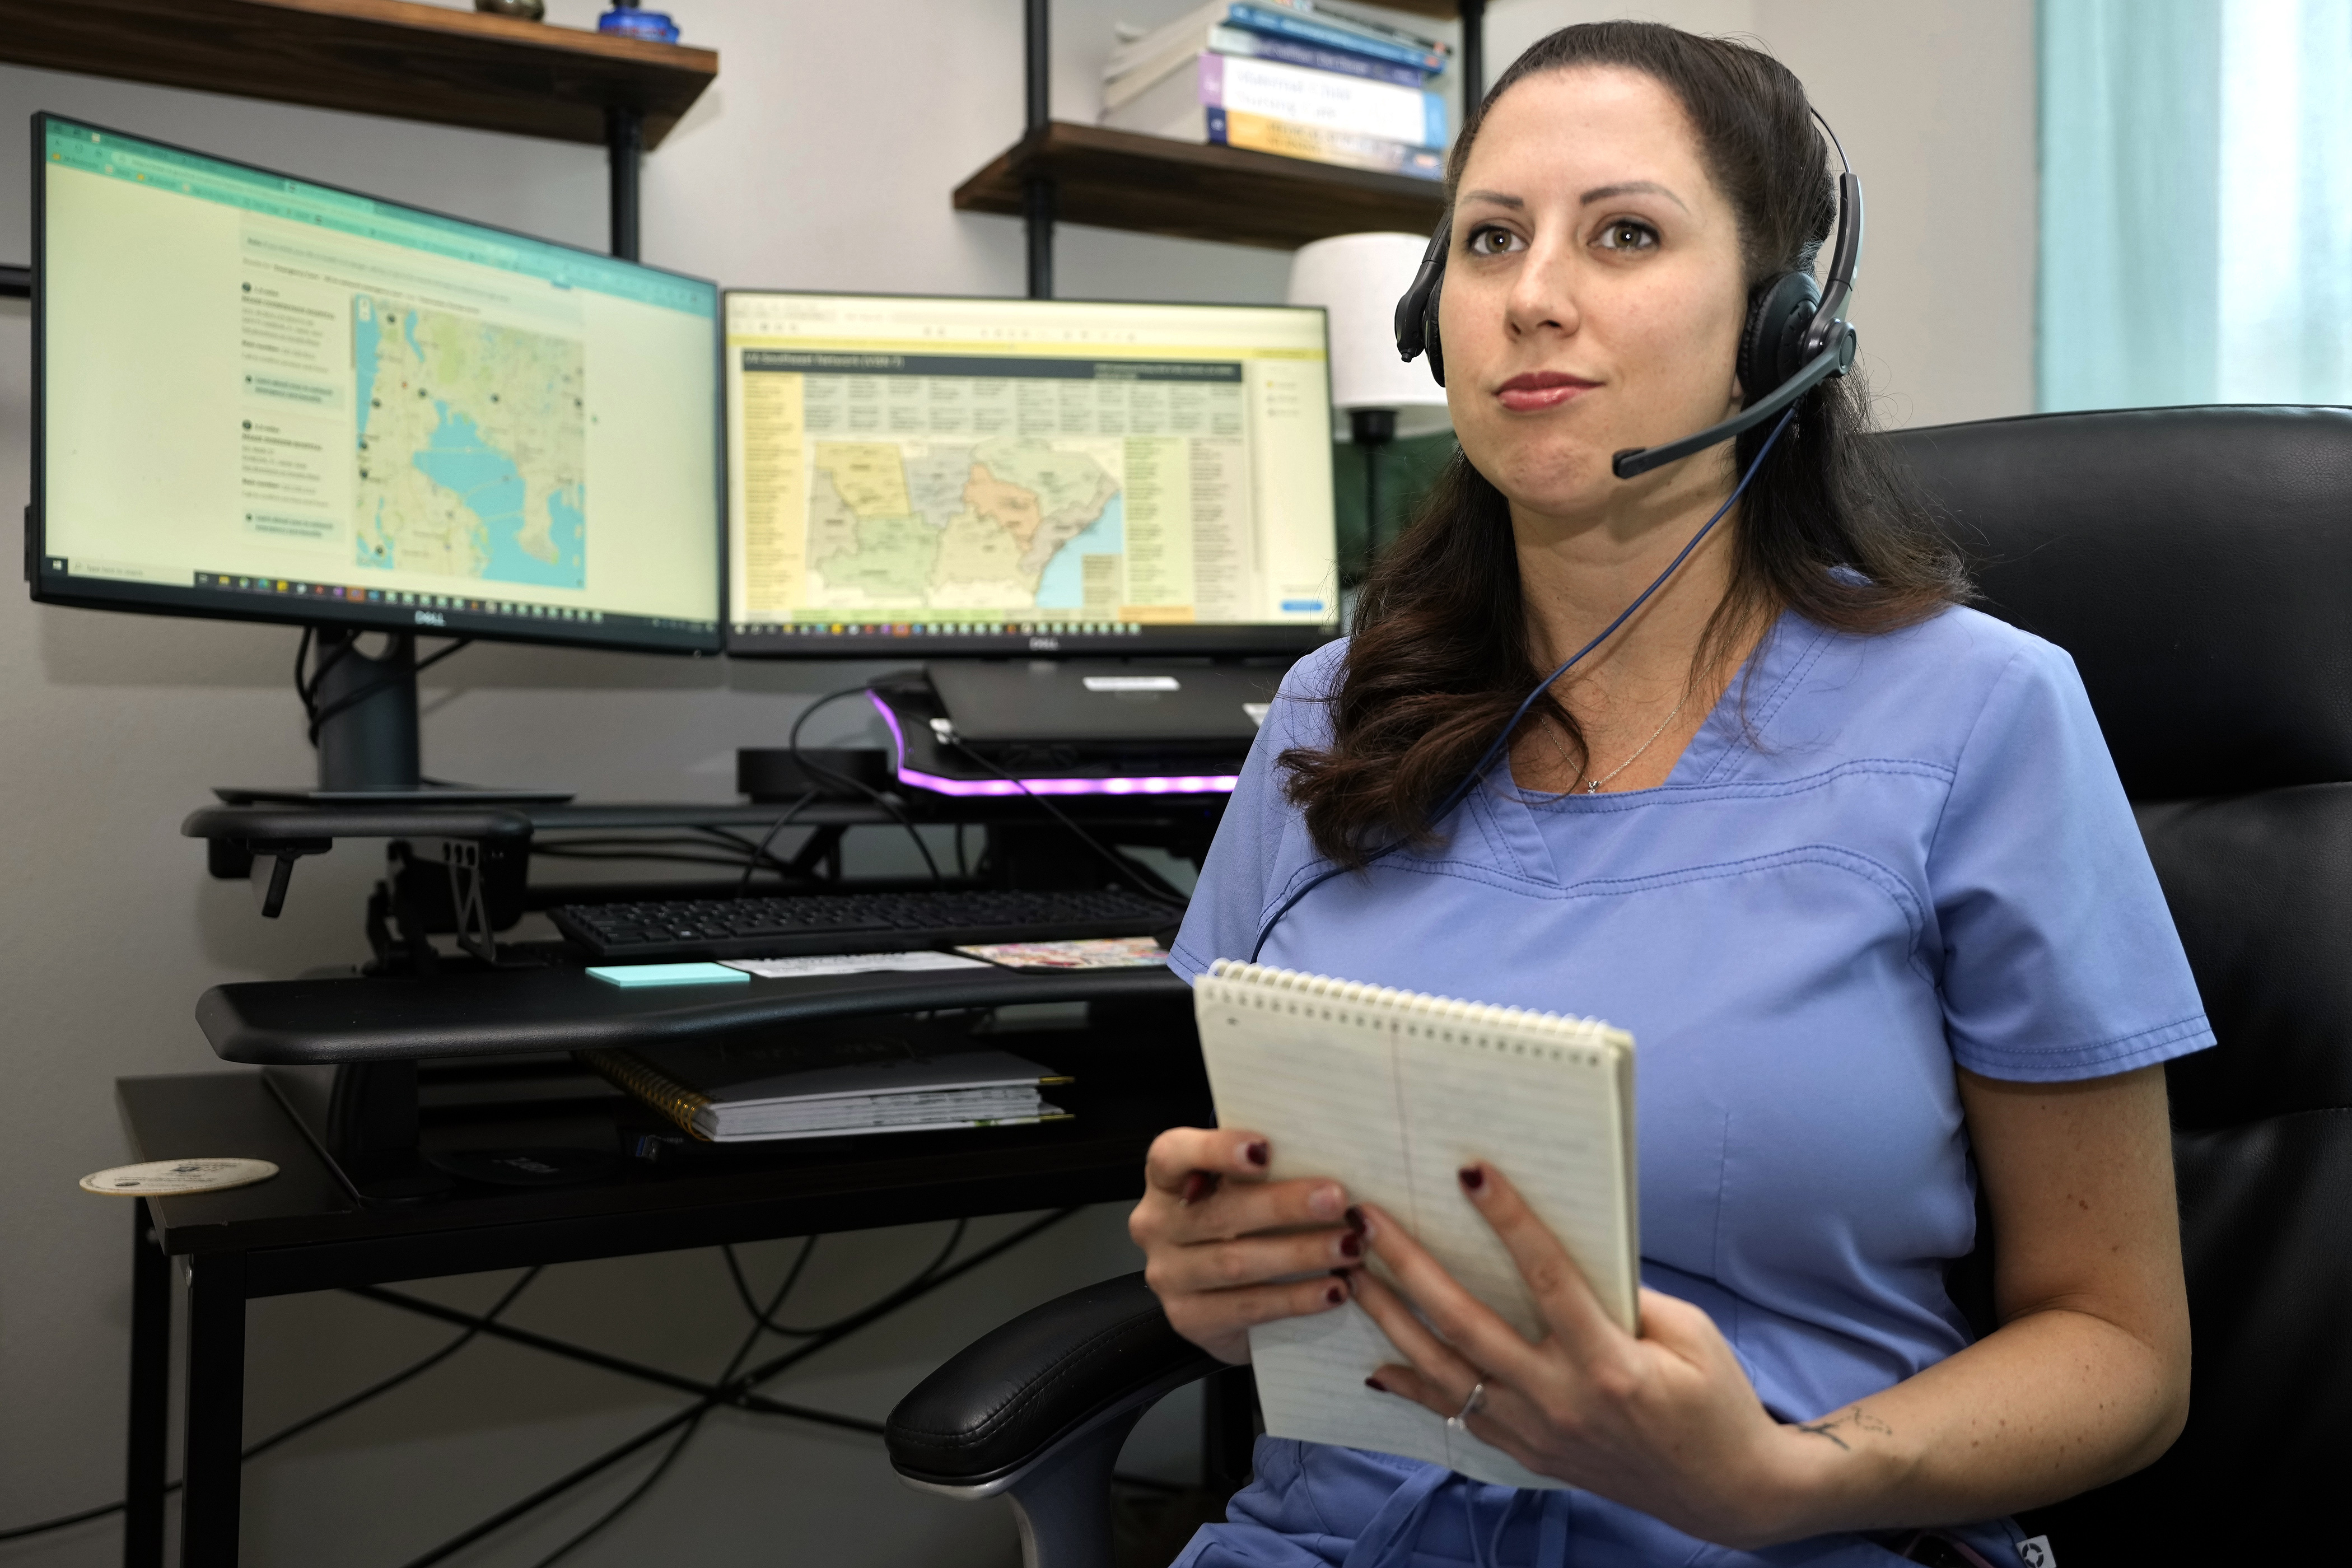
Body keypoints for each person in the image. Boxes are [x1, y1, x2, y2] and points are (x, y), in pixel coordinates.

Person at [1133, 21, 2205, 1568]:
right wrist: (1213, 1279)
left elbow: (2122, 1347)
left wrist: (1787, 1479)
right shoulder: (1328, 713)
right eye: (1490, 240)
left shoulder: (1982, 714)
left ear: (1777, 325)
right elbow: (1266, 1246)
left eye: (1624, 233)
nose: (1534, 294)